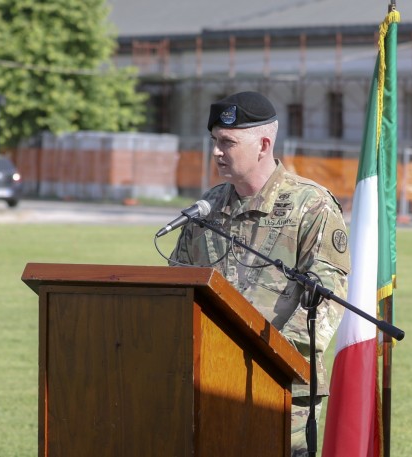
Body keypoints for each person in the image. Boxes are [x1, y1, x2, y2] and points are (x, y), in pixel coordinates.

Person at [169, 91, 350, 456]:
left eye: (227, 142)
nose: (216, 152)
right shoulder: (207, 208)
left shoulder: (310, 205)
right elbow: (176, 289)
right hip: (211, 381)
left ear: (263, 144)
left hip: (281, 386)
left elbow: (328, 296)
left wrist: (274, 359)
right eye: (214, 142)